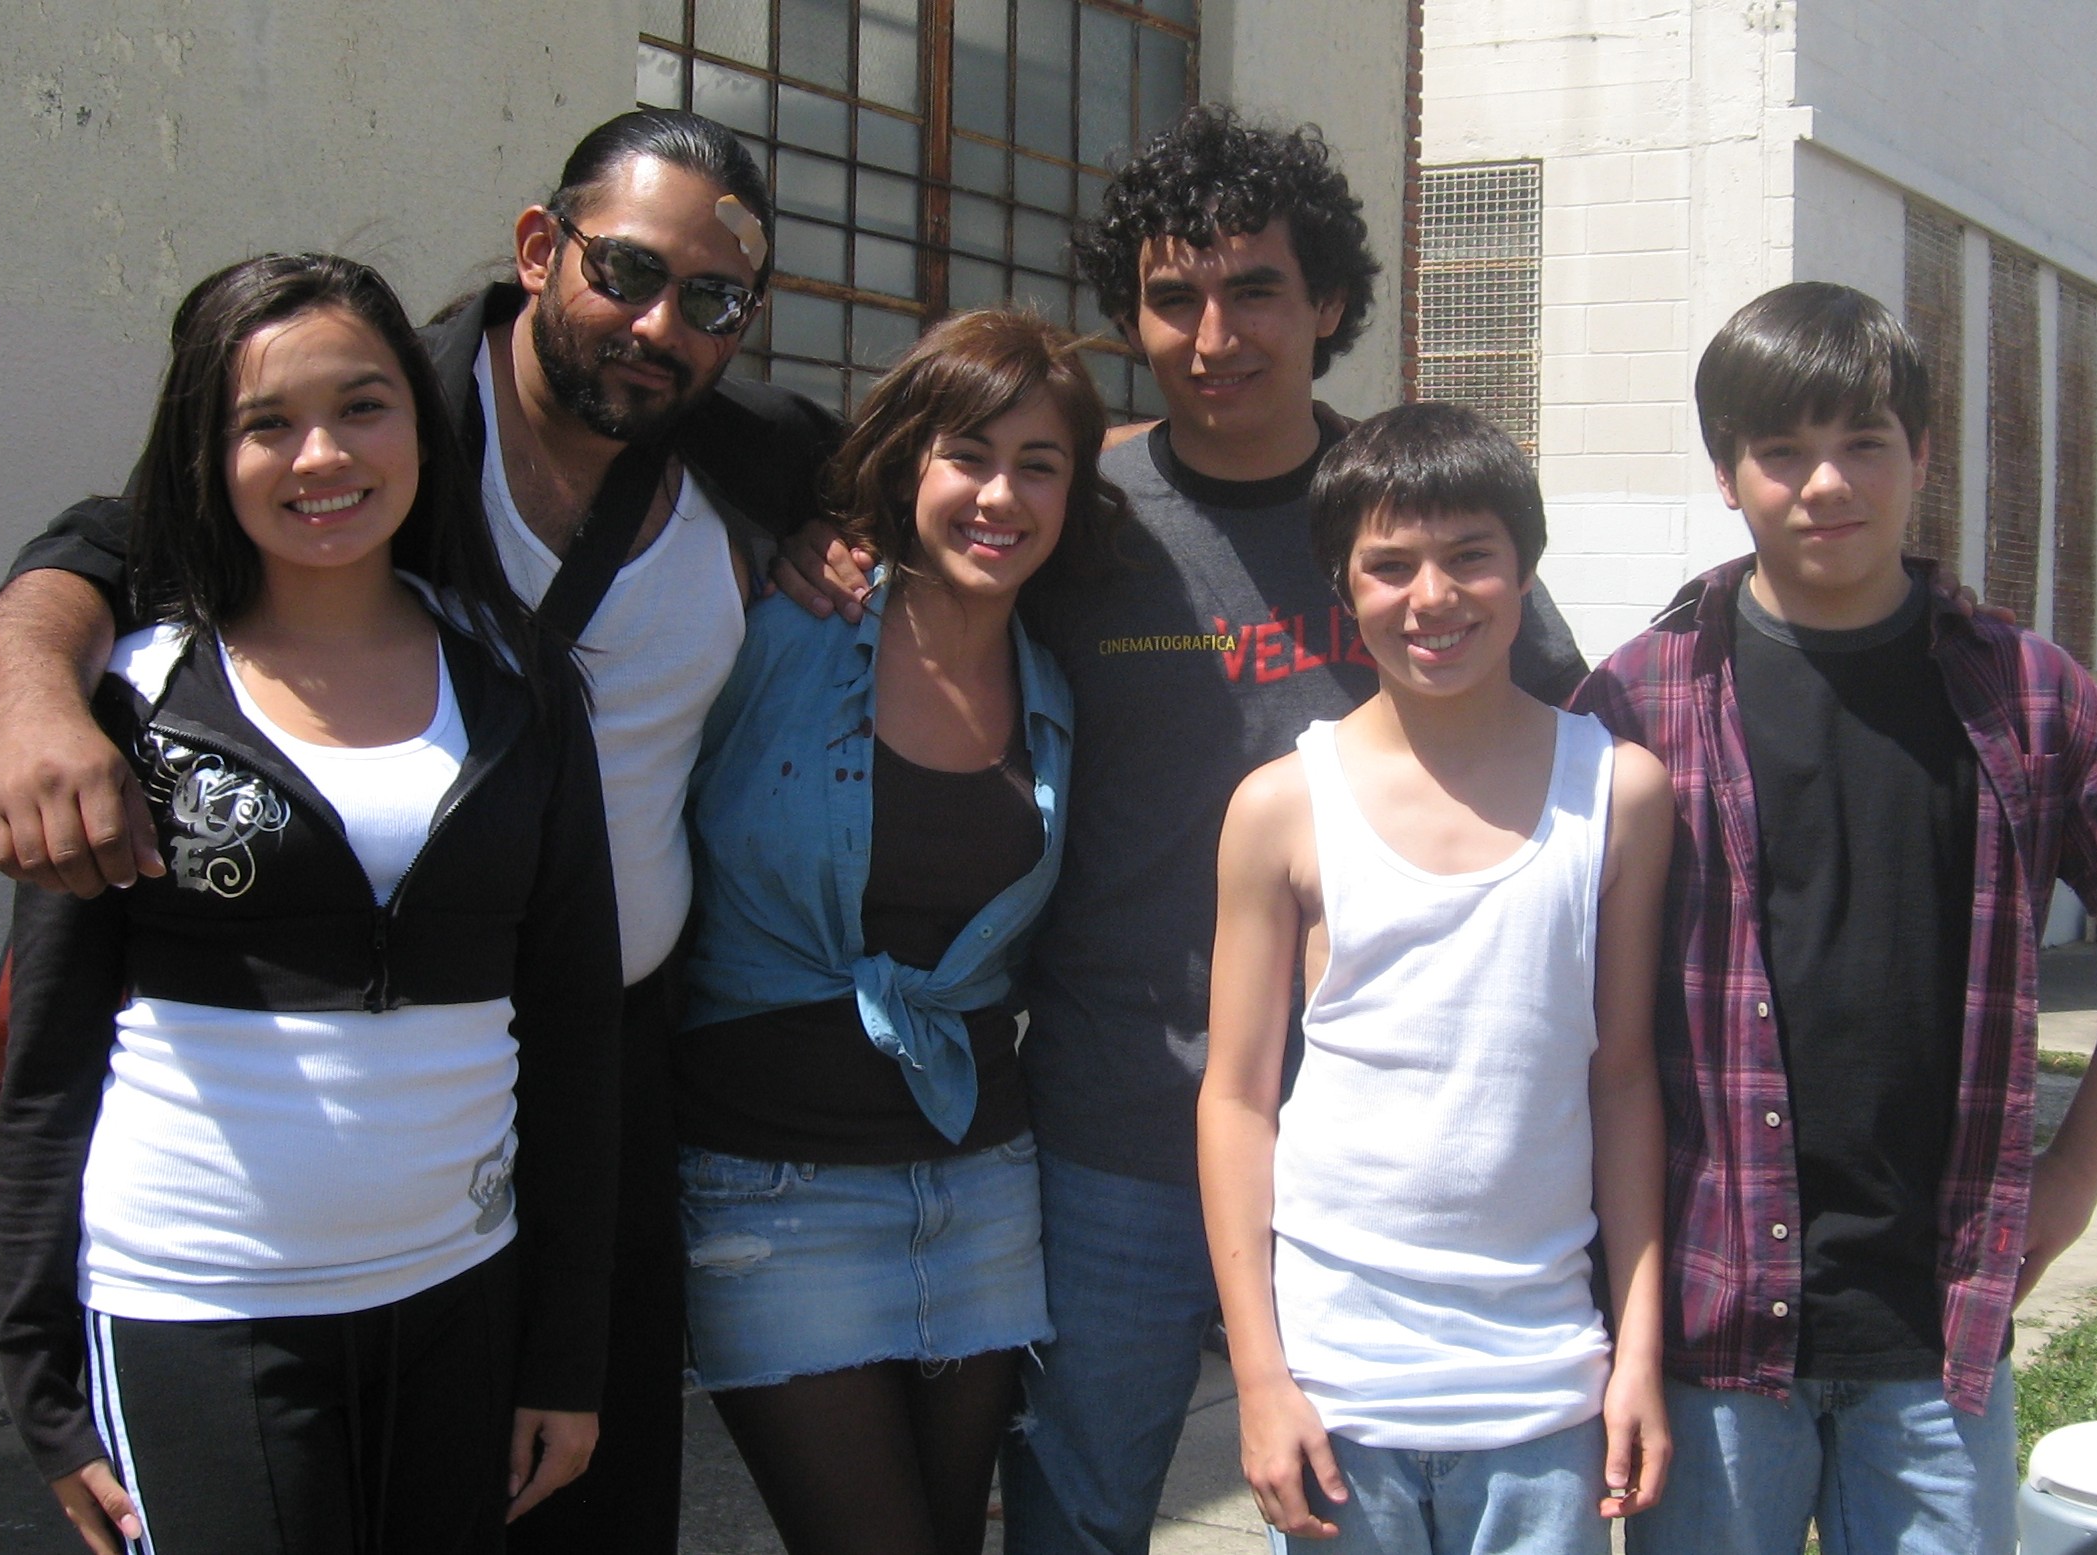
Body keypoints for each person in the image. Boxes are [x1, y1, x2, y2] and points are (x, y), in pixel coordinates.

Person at [0, 109, 838, 1553]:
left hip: (600, 1048)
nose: (656, 322)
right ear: (538, 247)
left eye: (712, 299)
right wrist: (36, 708)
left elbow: (989, 460)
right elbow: (98, 552)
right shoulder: (381, 413)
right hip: (329, 1077)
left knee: (581, 1474)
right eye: (623, 270)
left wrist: (842, 529)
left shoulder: (754, 451)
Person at [777, 105, 1591, 1555]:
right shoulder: (1077, 518)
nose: (1214, 334)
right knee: (1078, 1508)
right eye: (1173, 296)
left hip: (1380, 1167)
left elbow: (1582, 754)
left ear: (1329, 300)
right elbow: (918, 579)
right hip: (1120, 1130)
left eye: (1256, 288)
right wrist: (818, 538)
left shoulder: (1411, 523)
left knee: (1359, 1522)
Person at [1571, 281, 2097, 1555]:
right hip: (1712, 1317)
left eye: (1864, 441)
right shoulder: (1638, 697)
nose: (1827, 483)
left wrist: (2077, 1175)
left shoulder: (2025, 693)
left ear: (1921, 456)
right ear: (1725, 473)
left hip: (1936, 1326)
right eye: (1782, 449)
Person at [0, 253, 621, 1555]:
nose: (320, 453)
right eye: (265, 423)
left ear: (420, 427)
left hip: (460, 1298)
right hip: (196, 1309)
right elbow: (50, 1055)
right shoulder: (138, 691)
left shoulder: (522, 684)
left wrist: (566, 1349)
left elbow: (571, 1029)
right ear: (205, 452)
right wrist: (40, 1376)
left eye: (363, 405)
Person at [673, 308, 1118, 1555]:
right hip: (772, 1189)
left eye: (1039, 464)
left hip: (982, 1185)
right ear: (906, 461)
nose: (1001, 494)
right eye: (968, 453)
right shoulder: (780, 628)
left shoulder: (1056, 686)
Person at [1198, 403, 1672, 1555]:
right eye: (1390, 565)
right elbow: (1236, 1098)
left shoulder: (1619, 793)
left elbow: (1621, 1081)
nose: (1433, 597)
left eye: (1471, 556)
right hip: (1335, 1399)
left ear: (1525, 568)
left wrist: (1638, 1354)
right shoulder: (1280, 806)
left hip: (1542, 1391)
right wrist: (1260, 1380)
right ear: (1341, 584)